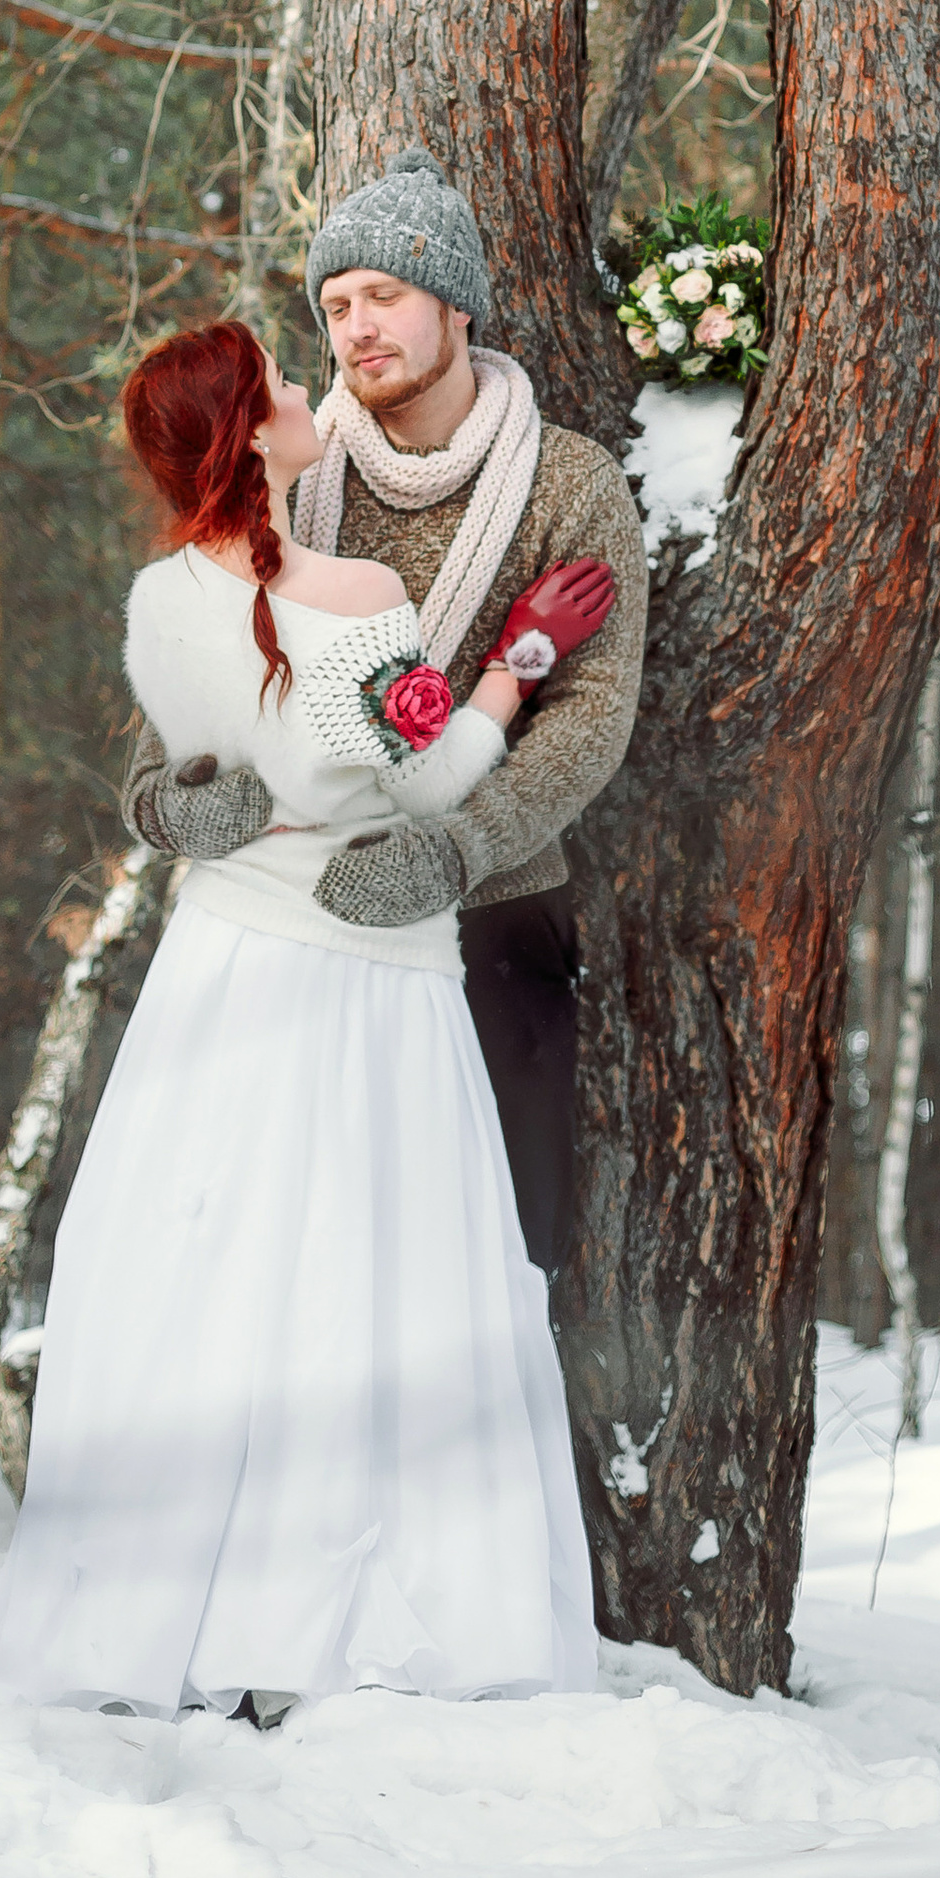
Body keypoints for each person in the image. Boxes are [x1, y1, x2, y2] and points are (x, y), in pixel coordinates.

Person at [0, 314, 600, 1722]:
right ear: (248, 434)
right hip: (370, 979)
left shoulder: (160, 599)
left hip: (222, 968)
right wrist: (521, 660)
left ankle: (165, 1600)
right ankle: (323, 1617)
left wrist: (174, 807)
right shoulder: (353, 594)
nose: (306, 389)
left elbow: (191, 776)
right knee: (367, 1285)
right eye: (279, 386)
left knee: (206, 1267)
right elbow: (431, 781)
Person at [125, 143, 649, 1279]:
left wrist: (455, 851)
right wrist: (163, 802)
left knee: (492, 1253)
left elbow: (594, 714)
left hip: (498, 905)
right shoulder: (295, 476)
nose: (356, 326)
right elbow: (204, 659)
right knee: (289, 1250)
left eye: (384, 295)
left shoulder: (569, 486)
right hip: (298, 915)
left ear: (454, 302)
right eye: (335, 304)